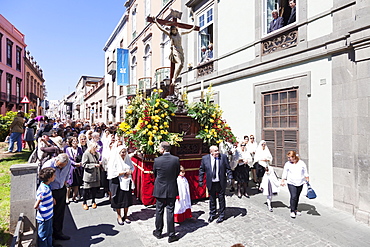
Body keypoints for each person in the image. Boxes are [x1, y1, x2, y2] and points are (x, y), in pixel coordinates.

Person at [153, 16, 196, 84]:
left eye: (174, 30)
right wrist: (156, 22)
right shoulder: (171, 36)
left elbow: (188, 31)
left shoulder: (180, 33)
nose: (173, 32)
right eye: (172, 31)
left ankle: (175, 77)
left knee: (181, 65)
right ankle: (173, 78)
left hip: (181, 50)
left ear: (176, 29)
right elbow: (162, 29)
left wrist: (193, 28)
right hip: (175, 50)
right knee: (179, 64)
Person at [152, 141, 180, 243]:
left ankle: (158, 232)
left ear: (163, 149)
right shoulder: (175, 159)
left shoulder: (157, 160)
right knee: (170, 211)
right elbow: (176, 173)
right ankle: (171, 235)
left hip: (160, 188)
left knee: (159, 210)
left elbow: (155, 173)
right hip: (171, 187)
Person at [199, 145, 233, 224]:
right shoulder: (205, 158)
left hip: (220, 182)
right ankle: (212, 213)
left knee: (221, 198)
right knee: (212, 198)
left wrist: (230, 177)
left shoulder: (223, 157)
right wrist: (200, 180)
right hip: (211, 182)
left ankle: (222, 214)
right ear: (211, 152)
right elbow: (201, 170)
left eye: (218, 150)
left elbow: (228, 168)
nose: (217, 152)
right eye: (215, 151)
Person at [42, 153, 71, 242]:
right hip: (51, 191)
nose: (60, 168)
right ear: (56, 160)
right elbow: (44, 181)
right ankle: (51, 238)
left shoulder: (68, 163)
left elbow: (67, 172)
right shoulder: (48, 165)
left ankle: (58, 233)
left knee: (60, 213)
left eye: (62, 166)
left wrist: (65, 181)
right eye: (59, 166)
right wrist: (50, 196)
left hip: (61, 189)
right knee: (51, 215)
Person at [107, 146, 135, 225]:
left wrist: (130, 171)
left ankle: (125, 216)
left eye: (125, 152)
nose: (123, 154)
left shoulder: (127, 159)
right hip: (117, 182)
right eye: (122, 152)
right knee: (118, 200)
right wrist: (123, 172)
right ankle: (119, 216)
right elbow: (112, 172)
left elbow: (132, 168)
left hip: (126, 182)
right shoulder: (114, 160)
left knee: (127, 199)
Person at [281, 151, 309, 218]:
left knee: (297, 196)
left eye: (289, 158)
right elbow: (285, 172)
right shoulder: (287, 164)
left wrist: (307, 178)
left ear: (294, 157)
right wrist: (283, 180)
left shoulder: (301, 163)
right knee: (293, 196)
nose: (289, 159)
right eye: (288, 158)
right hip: (291, 182)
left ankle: (296, 209)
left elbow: (305, 171)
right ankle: (292, 211)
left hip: (300, 182)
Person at [34, 167, 56, 247]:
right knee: (43, 236)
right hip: (44, 217)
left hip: (49, 215)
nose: (55, 176)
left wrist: (52, 199)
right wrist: (37, 206)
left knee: (49, 233)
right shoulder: (43, 189)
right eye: (54, 175)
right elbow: (38, 201)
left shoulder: (47, 186)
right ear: (49, 178)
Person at [81, 142, 101, 210]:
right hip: (89, 175)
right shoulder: (86, 154)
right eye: (94, 147)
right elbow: (84, 165)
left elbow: (97, 161)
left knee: (94, 189)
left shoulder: (97, 154)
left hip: (96, 174)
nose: (96, 149)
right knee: (86, 189)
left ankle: (93, 201)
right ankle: (84, 202)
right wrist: (93, 165)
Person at [65, 137, 83, 203]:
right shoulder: (68, 149)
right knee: (69, 184)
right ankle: (67, 197)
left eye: (76, 141)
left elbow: (82, 156)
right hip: (71, 168)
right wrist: (75, 163)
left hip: (78, 168)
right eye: (73, 142)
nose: (75, 143)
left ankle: (74, 197)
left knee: (77, 183)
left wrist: (80, 163)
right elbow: (68, 159)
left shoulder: (79, 149)